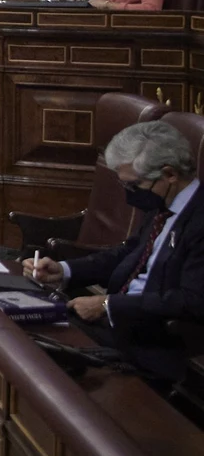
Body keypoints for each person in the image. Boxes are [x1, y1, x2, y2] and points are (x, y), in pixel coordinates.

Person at [22, 120, 204, 382]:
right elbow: (127, 254)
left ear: (169, 174)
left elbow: (191, 301)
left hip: (151, 343)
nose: (129, 194)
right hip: (115, 326)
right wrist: (65, 270)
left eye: (134, 185)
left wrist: (109, 305)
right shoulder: (163, 205)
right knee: (24, 330)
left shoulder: (199, 219)